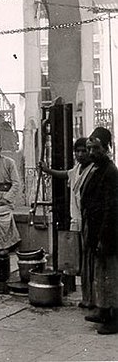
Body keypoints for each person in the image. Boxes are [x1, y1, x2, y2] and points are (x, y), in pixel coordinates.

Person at [40, 137, 95, 308]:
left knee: (89, 262)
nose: (80, 154)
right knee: (79, 261)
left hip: (88, 221)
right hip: (76, 220)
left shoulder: (93, 170)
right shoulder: (77, 169)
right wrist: (47, 170)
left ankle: (92, 299)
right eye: (77, 151)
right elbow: (64, 174)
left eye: (83, 151)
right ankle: (87, 298)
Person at [81, 126, 118, 335]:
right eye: (90, 148)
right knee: (100, 273)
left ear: (105, 148)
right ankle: (103, 310)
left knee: (111, 275)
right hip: (96, 228)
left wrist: (104, 237)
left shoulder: (111, 172)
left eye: (96, 149)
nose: (92, 153)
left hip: (108, 231)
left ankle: (115, 319)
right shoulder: (97, 169)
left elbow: (111, 209)